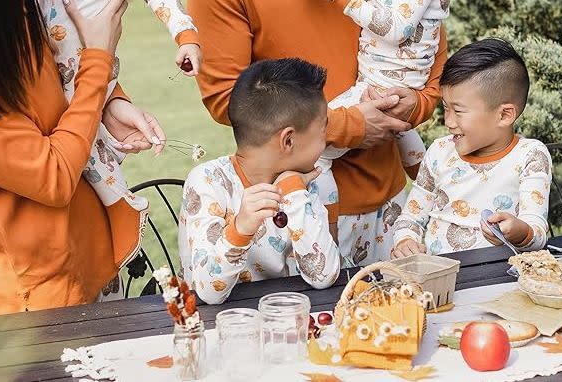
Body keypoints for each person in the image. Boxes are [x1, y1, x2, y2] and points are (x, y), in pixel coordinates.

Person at [0, 0, 160, 316]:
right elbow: (54, 176)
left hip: (94, 256)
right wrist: (98, 60)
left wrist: (110, 102)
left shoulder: (13, 16)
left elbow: (65, 73)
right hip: (43, 295)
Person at [188, 0, 448, 267]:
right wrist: (351, 125)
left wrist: (417, 103)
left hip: (392, 199)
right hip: (304, 208)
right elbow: (228, 99)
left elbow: (426, 36)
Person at [38, 0, 202, 298]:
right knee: (85, 149)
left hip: (89, 71)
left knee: (91, 151)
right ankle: (120, 206)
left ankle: (119, 206)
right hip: (69, 77)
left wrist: (185, 35)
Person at [178, 58, 341, 304]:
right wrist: (239, 229)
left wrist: (293, 191)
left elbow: (324, 277)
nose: (326, 141)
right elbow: (209, 293)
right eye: (322, 131)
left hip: (287, 319)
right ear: (288, 140)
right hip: (217, 326)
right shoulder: (207, 183)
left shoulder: (316, 181)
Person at [392, 38, 552, 258]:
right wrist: (405, 240)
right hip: (440, 279)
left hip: (498, 279)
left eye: (458, 111)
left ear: (504, 115)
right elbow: (411, 218)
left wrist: (518, 231)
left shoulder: (530, 156)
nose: (448, 121)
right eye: (445, 108)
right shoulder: (440, 151)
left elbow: (538, 233)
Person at [315, 0, 450, 247]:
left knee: (313, 150)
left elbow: (397, 27)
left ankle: (328, 233)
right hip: (388, 84)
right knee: (399, 130)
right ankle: (441, 201)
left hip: (380, 87)